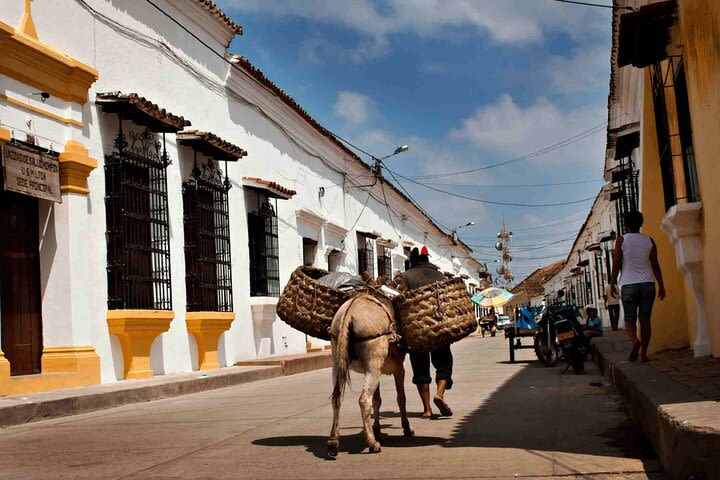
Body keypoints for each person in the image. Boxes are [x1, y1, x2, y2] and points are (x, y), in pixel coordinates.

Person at [394, 246, 454, 418]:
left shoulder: (405, 277)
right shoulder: (441, 276)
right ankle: (439, 394)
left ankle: (427, 409)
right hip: (439, 329)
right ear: (427, 260)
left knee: (420, 369)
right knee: (444, 364)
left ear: (413, 261)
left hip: (416, 331)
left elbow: (398, 300)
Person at [610, 211, 666, 362]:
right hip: (648, 284)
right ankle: (644, 354)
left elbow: (616, 263)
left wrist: (612, 283)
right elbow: (655, 264)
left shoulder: (621, 240)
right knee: (645, 319)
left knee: (629, 319)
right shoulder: (649, 240)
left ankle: (635, 340)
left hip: (628, 285)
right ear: (641, 223)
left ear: (626, 224)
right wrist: (661, 285)